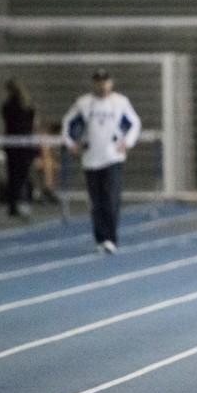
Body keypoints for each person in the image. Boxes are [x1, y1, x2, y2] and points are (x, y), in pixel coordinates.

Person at [61, 69, 140, 254]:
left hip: (112, 158)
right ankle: (100, 237)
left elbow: (134, 123)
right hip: (91, 159)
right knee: (96, 202)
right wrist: (71, 143)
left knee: (111, 198)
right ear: (93, 83)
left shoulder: (120, 102)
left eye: (105, 81)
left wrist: (127, 143)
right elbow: (68, 123)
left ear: (110, 83)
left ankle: (111, 238)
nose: (102, 85)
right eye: (98, 81)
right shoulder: (84, 104)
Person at [0, 78, 36, 218]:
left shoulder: (9, 105)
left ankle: (16, 204)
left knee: (15, 176)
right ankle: (20, 203)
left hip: (16, 145)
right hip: (21, 144)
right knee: (21, 176)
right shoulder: (25, 105)